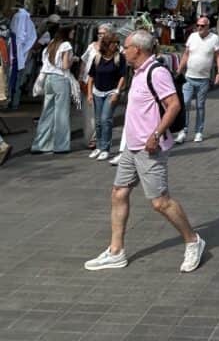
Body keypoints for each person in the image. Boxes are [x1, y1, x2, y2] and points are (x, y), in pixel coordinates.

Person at [84, 29, 205, 273]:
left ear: (137, 50)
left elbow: (173, 105)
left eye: (126, 46)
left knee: (160, 202)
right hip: (133, 146)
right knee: (119, 193)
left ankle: (193, 240)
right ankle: (116, 251)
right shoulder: (137, 72)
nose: (123, 50)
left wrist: (156, 134)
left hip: (150, 147)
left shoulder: (156, 72)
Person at [176, 15, 219, 144]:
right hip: (189, 77)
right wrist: (179, 69)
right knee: (184, 104)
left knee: (200, 106)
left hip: (204, 79)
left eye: (202, 26)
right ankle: (183, 131)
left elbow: (218, 56)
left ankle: (198, 131)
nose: (199, 28)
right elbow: (186, 54)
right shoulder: (192, 36)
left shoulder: (214, 39)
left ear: (208, 27)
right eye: (198, 25)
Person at [30, 23, 73, 155]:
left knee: (47, 112)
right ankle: (61, 145)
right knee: (62, 113)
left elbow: (46, 63)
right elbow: (65, 66)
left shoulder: (51, 44)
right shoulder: (66, 45)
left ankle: (40, 144)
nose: (74, 34)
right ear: (67, 33)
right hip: (60, 79)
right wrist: (73, 60)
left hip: (48, 79)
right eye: (72, 31)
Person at [87, 31, 126, 160]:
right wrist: (89, 94)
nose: (115, 45)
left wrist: (117, 92)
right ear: (106, 45)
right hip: (97, 92)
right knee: (98, 121)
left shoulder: (119, 58)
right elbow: (91, 77)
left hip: (111, 91)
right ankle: (98, 146)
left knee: (106, 119)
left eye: (116, 43)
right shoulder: (97, 58)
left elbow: (122, 76)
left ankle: (105, 148)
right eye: (113, 43)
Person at [80, 23, 114, 149]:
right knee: (88, 113)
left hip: (103, 84)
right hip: (87, 82)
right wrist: (80, 77)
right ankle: (90, 138)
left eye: (103, 33)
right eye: (99, 33)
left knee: (100, 114)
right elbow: (84, 61)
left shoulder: (113, 48)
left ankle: (97, 139)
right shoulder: (91, 46)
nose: (100, 36)